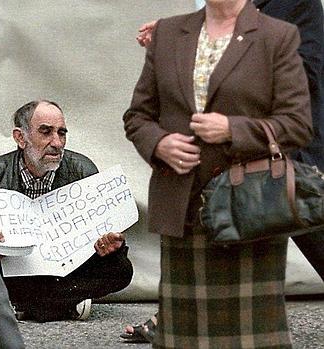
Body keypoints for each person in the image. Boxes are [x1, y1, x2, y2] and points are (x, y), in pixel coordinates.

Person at [123, 0, 324, 343]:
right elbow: (139, 116)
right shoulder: (176, 32)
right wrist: (158, 144)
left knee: (252, 329)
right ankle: (169, 318)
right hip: (184, 195)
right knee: (186, 329)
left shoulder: (293, 10)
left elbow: (306, 82)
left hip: (257, 178)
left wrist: (233, 123)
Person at [0, 100, 134, 323]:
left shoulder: (82, 170)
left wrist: (108, 245)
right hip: (15, 269)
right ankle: (63, 303)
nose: (57, 143)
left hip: (66, 271)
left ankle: (26, 305)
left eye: (62, 133)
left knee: (120, 268)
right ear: (21, 138)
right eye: (46, 132)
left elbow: (99, 238)